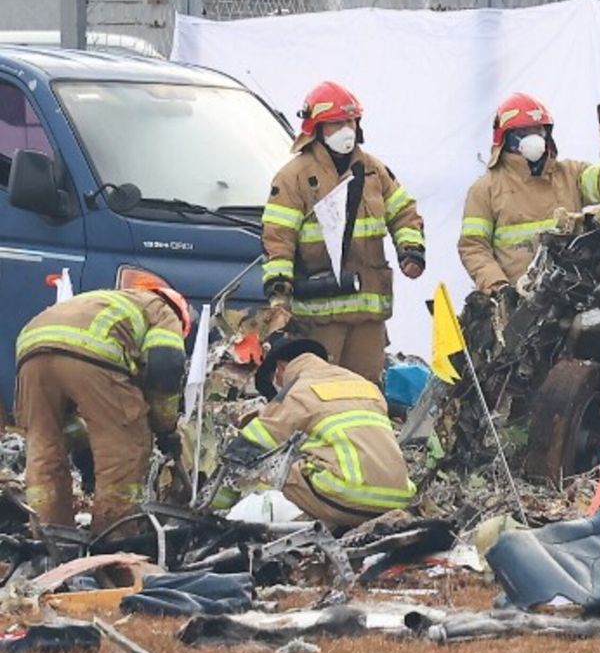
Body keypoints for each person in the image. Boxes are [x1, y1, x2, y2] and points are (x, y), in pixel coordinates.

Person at [260, 81, 425, 386]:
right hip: (320, 316)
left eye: (350, 121)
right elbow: (277, 239)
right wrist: (280, 294)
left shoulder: (374, 171)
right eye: (337, 123)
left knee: (365, 392)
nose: (346, 129)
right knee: (319, 393)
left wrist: (410, 250)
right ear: (317, 128)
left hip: (368, 312)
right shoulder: (293, 177)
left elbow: (404, 213)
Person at [14, 284, 192, 556]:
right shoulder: (162, 309)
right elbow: (166, 367)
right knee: (124, 450)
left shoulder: (107, 300)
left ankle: (50, 544)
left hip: (31, 351)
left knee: (44, 451)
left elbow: (77, 420)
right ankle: (111, 546)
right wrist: (166, 429)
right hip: (94, 356)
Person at [223, 333, 414, 530]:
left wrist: (216, 504)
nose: (278, 386)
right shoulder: (364, 385)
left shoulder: (297, 390)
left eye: (276, 380)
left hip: (347, 495)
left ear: (280, 368)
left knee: (274, 461)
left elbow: (249, 448)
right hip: (397, 497)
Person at [459, 93, 600, 292]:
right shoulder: (485, 190)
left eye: (538, 129)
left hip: (575, 293)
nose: (534, 137)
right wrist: (498, 288)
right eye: (524, 131)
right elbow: (474, 248)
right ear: (505, 138)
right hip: (521, 303)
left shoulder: (570, 174)